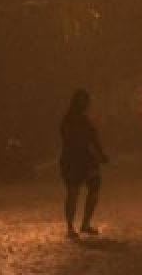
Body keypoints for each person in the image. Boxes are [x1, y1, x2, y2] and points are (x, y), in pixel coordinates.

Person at [59, 88, 109, 239]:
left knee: (93, 188)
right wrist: (99, 154)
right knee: (73, 192)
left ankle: (85, 223)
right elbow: (79, 139)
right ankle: (70, 227)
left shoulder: (83, 119)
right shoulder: (70, 120)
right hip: (73, 159)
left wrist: (100, 154)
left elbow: (93, 138)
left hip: (85, 159)